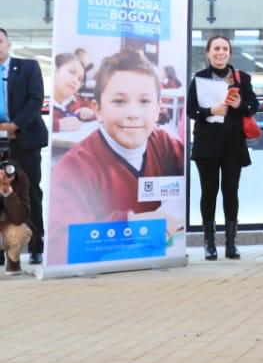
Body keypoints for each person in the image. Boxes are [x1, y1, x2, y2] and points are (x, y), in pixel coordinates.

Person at [47, 50, 187, 266]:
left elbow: (195, 188)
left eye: (144, 101)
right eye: (119, 101)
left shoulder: (168, 145)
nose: (133, 113)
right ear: (98, 109)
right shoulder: (72, 169)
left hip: (163, 276)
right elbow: (59, 249)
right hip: (101, 284)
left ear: (158, 109)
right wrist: (130, 225)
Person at [189, 36, 258, 261]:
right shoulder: (199, 78)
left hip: (233, 145)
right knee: (209, 193)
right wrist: (210, 111)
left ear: (230, 53)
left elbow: (253, 106)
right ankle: (209, 242)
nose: (220, 52)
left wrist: (241, 105)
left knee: (231, 191)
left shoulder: (241, 78)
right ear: (208, 53)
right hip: (206, 144)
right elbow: (191, 110)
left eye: (224, 49)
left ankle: (231, 242)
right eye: (216, 49)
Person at [0, 27, 48, 265]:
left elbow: (36, 99)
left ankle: (37, 244)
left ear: (8, 44)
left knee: (30, 192)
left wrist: (14, 125)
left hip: (25, 139)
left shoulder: (28, 68)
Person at [0, 162, 32, 275]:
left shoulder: (18, 175)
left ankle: (13, 259)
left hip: (6, 225)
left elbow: (19, 218)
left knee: (21, 233)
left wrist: (7, 191)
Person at [51, 53, 94, 132]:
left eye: (80, 79)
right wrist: (58, 124)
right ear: (55, 70)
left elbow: (98, 111)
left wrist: (89, 113)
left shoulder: (78, 99)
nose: (75, 81)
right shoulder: (43, 99)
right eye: (71, 72)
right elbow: (34, 123)